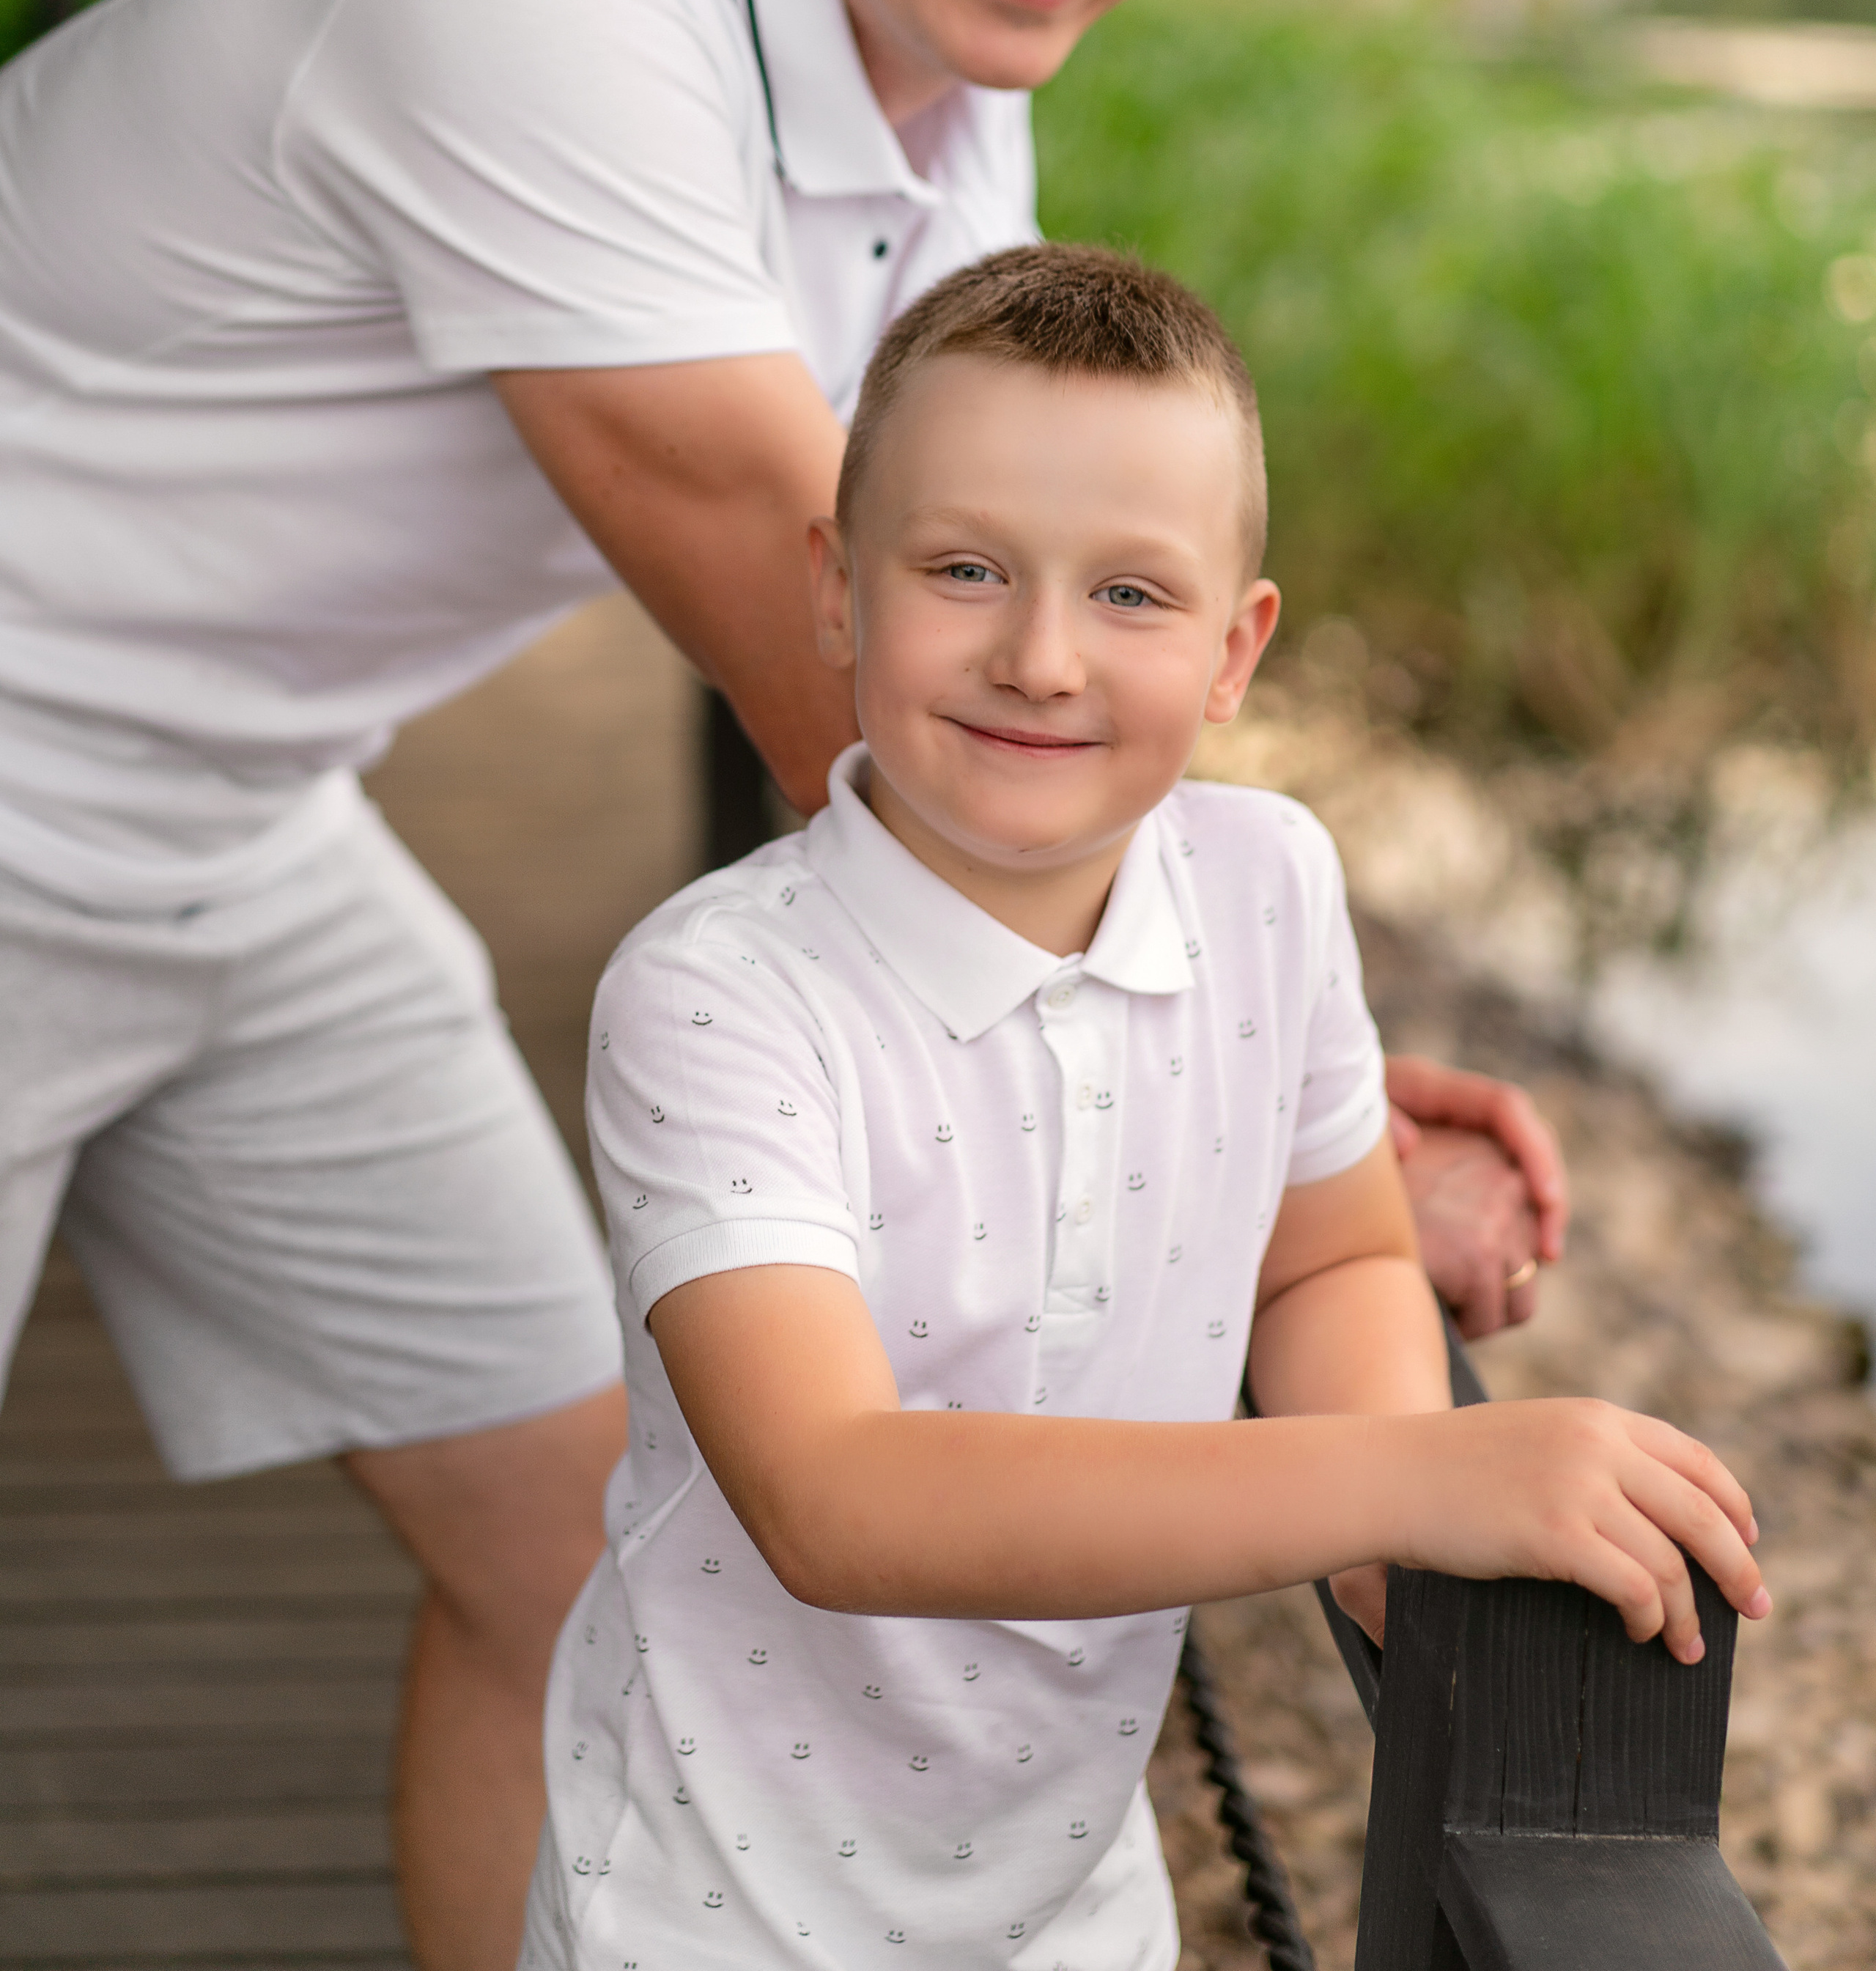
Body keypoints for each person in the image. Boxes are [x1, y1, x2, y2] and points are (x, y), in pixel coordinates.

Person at [0, 0, 1560, 1969]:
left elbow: (1008, 740)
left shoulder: (948, 120)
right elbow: (810, 621)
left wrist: (1281, 1089)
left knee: (564, 1529)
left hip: (237, 817)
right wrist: (1263, 1115)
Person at [517, 243, 1766, 1971]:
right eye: (963, 569)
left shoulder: (1266, 883)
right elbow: (835, 1496)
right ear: (834, 589)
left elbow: (1327, 1263)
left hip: (1074, 1900)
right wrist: (1403, 1483)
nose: (1039, 657)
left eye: (1129, 595)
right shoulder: (719, 991)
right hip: (715, 1909)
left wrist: (1390, 1556)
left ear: (1238, 646)